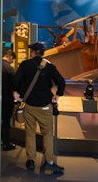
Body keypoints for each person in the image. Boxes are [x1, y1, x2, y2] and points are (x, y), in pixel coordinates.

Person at [13, 42, 65, 173]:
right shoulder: (50, 67)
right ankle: (50, 162)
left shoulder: (25, 65)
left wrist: (16, 92)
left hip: (29, 105)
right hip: (45, 106)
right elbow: (61, 82)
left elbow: (16, 81)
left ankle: (30, 161)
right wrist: (58, 95)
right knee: (47, 134)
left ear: (33, 52)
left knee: (30, 133)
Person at [0, 48, 17, 151]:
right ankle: (6, 143)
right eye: (12, 59)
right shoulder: (9, 69)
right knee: (6, 121)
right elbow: (15, 84)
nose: (12, 61)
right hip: (7, 98)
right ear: (10, 57)